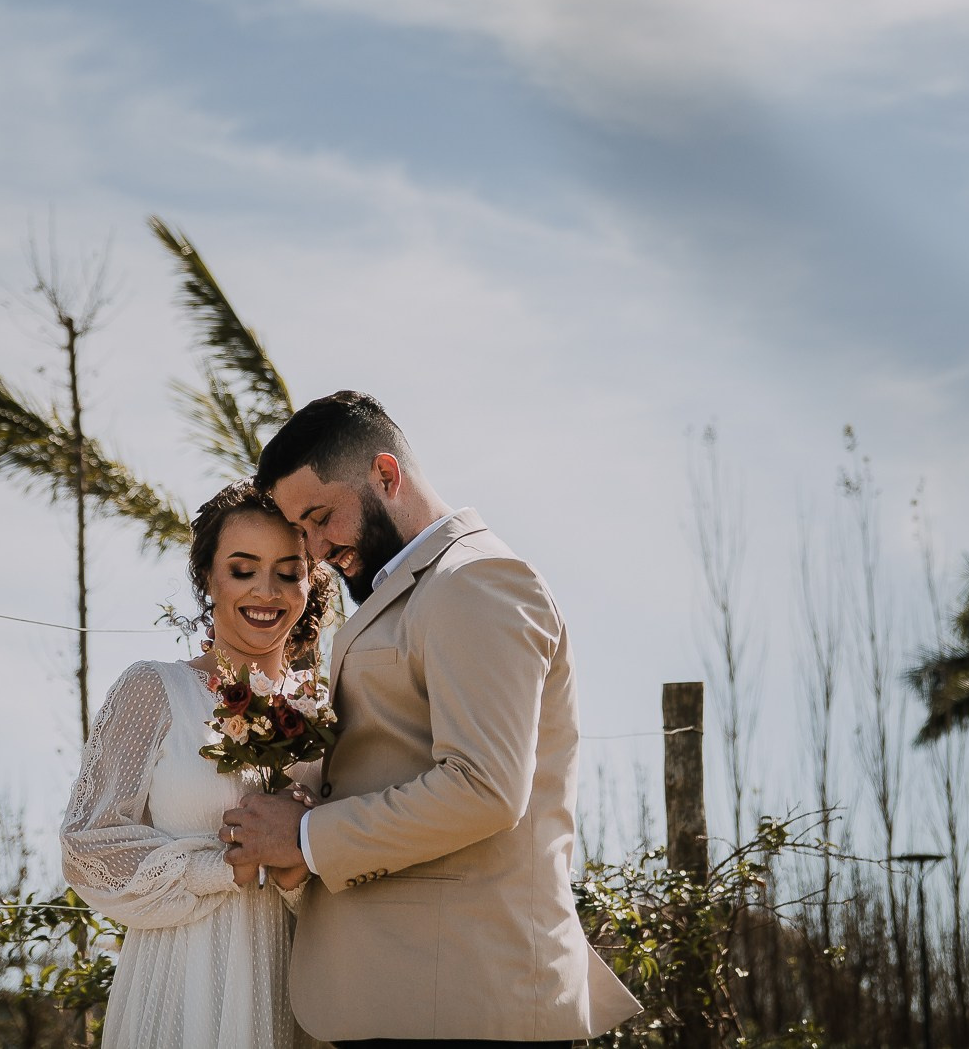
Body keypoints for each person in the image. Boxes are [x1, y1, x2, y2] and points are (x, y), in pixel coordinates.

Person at [221, 390, 640, 1045]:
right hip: (410, 999)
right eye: (299, 530)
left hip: (464, 1004)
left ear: (387, 475)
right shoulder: (413, 592)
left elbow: (484, 786)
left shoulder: (477, 578)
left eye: (321, 517)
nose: (314, 548)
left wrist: (306, 837)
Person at [60, 479, 334, 1049]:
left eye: (289, 571)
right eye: (242, 569)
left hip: (301, 987)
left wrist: (303, 856)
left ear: (312, 582)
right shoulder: (152, 691)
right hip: (181, 983)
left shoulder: (329, 712)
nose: (267, 591)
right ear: (207, 577)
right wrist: (221, 867)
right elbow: (88, 846)